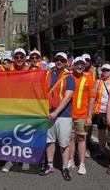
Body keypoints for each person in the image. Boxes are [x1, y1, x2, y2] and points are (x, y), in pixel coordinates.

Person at [39, 52, 74, 181]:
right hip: (48, 113)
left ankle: (65, 167)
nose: (59, 62)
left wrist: (55, 113)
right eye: (57, 59)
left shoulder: (69, 77)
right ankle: (49, 165)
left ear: (66, 63)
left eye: (62, 60)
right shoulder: (47, 74)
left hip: (63, 115)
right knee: (50, 141)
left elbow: (67, 97)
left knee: (64, 142)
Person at [2, 48, 30, 173]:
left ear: (25, 58)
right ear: (14, 58)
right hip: (13, 106)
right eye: (17, 57)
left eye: (21, 57)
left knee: (25, 133)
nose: (19, 59)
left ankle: (25, 158)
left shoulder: (33, 71)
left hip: (28, 106)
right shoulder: (9, 70)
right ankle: (11, 159)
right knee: (12, 133)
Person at [69, 57, 96, 175]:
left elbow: (92, 99)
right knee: (70, 138)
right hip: (68, 114)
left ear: (85, 66)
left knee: (81, 138)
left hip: (82, 115)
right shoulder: (68, 76)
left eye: (82, 65)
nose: (79, 67)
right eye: (77, 64)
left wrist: (89, 116)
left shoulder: (89, 78)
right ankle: (70, 160)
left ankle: (82, 164)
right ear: (73, 65)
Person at [93, 64, 110, 158]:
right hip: (100, 110)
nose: (104, 72)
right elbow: (93, 96)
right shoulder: (98, 82)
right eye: (103, 70)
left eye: (107, 70)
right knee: (101, 131)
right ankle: (102, 149)